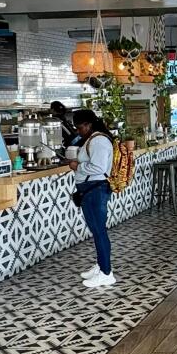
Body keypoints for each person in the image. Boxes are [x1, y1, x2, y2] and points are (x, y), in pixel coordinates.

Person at [70, 108, 117, 289]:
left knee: (99, 232)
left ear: (88, 125)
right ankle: (101, 265)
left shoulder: (98, 141)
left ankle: (106, 273)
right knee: (97, 231)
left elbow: (98, 167)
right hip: (92, 191)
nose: (78, 131)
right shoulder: (94, 139)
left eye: (80, 127)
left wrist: (77, 166)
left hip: (95, 191)